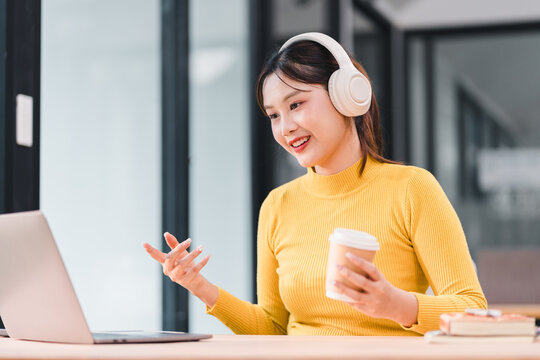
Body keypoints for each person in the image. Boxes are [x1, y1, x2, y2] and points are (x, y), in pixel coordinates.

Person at [143, 32, 486, 336]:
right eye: (274, 115)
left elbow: (474, 310)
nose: (285, 127)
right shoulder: (278, 205)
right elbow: (273, 327)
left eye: (296, 104)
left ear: (346, 96)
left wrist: (397, 305)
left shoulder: (412, 189)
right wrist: (200, 287)